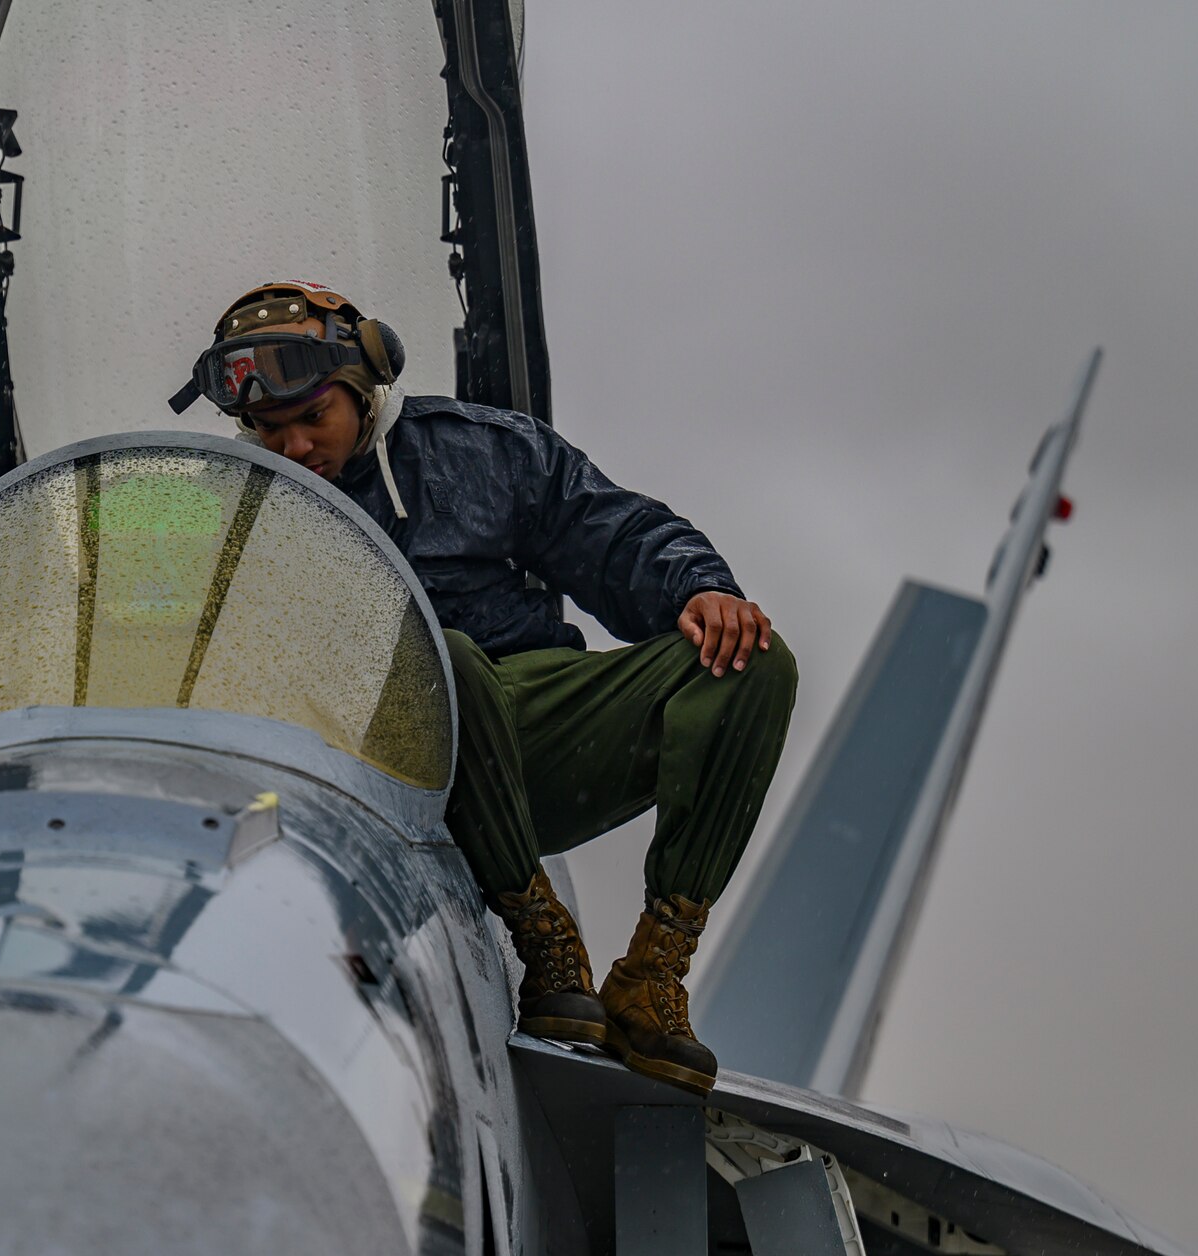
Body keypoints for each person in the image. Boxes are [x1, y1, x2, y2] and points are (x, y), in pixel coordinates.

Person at [170, 281, 797, 1095]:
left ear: (363, 390)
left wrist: (700, 590)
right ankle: (540, 938)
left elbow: (614, 535)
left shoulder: (482, 454)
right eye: (269, 430)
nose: (293, 450)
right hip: (372, 777)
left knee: (751, 661)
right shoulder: (233, 513)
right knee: (437, 660)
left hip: (531, 735)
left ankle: (653, 971)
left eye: (311, 420)